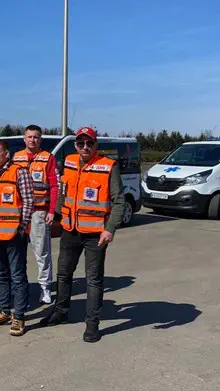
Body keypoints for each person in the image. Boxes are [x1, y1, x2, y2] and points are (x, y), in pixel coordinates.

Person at [39, 127, 125, 343]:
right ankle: (61, 312)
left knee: (94, 280)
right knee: (63, 274)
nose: (85, 147)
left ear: (96, 145)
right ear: (76, 145)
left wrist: (110, 228)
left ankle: (92, 324)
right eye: (80, 143)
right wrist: (57, 216)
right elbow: (62, 191)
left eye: (89, 143)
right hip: (70, 230)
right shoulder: (68, 161)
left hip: (95, 234)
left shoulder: (108, 167)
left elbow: (119, 201)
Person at [0, 139, 34, 337]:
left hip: (14, 234)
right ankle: (3, 311)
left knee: (17, 275)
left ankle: (19, 316)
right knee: (0, 274)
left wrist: (22, 226)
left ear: (6, 154)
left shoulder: (19, 172)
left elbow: (29, 200)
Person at [12, 125, 59, 305]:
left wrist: (52, 210)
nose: (32, 140)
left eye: (36, 137)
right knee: (17, 252)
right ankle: (20, 287)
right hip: (18, 212)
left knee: (42, 252)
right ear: (24, 139)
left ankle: (45, 289)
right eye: (29, 137)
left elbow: (55, 186)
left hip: (39, 212)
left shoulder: (48, 158)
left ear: (41, 139)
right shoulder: (16, 158)